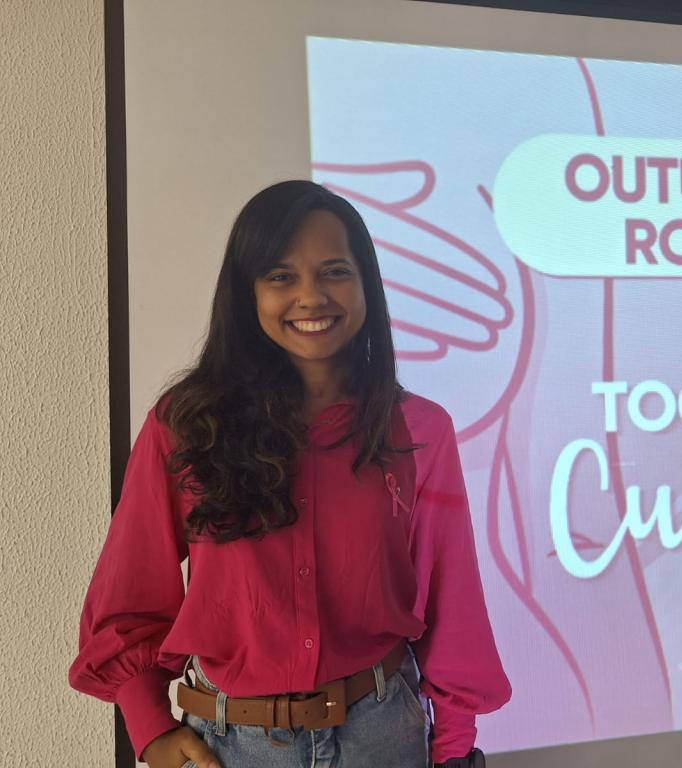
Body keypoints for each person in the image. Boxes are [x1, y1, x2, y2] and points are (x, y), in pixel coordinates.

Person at [69, 180, 511, 768]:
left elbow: (452, 606)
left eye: (335, 272)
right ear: (247, 292)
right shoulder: (186, 427)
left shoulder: (419, 430)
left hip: (382, 736)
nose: (311, 296)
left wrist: (452, 750)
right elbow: (129, 598)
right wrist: (150, 729)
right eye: (281, 276)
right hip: (229, 746)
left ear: (366, 284)